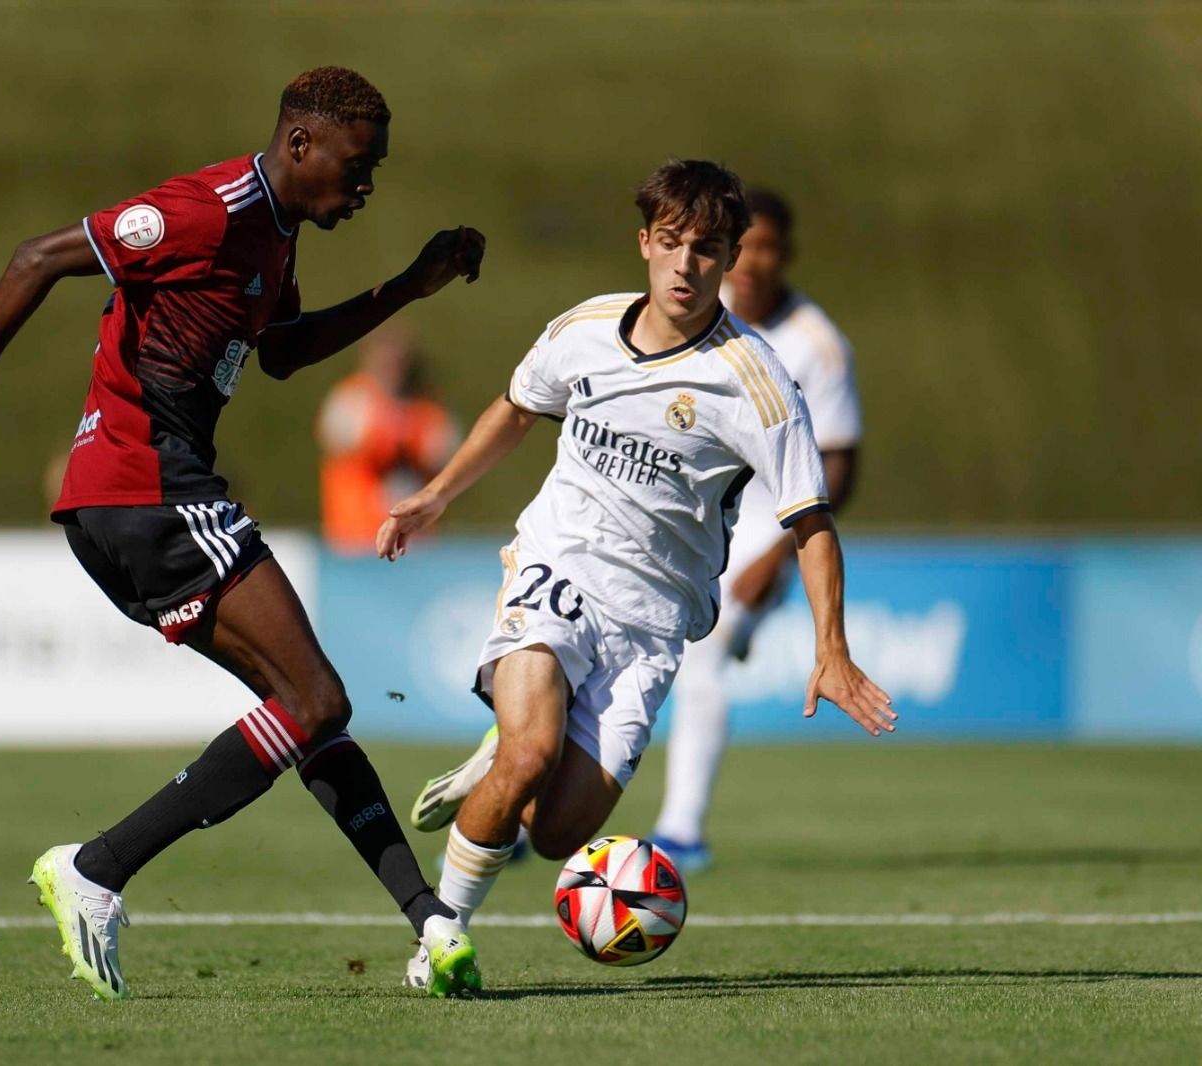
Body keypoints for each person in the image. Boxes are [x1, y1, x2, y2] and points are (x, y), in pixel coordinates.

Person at [0, 67, 488, 1000]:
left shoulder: (276, 238)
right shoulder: (207, 211)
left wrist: (408, 286)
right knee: (317, 700)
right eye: (358, 164)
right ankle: (97, 867)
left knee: (307, 712)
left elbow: (283, 352)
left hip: (131, 501)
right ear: (300, 145)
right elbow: (35, 258)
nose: (367, 184)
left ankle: (431, 924)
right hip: (147, 487)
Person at [379, 160, 894, 971]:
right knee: (531, 752)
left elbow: (812, 520)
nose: (687, 265)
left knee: (553, 834)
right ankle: (441, 937)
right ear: (645, 243)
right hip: (557, 569)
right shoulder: (583, 330)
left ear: (728, 257)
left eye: (708, 249)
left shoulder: (757, 386)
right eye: (673, 243)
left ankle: (501, 753)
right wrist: (436, 495)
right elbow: (518, 410)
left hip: (652, 624)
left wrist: (832, 649)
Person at [648, 189, 864, 873]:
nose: (755, 262)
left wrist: (775, 557)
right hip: (688, 514)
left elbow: (840, 464)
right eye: (750, 247)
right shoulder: (700, 312)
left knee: (705, 655)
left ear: (784, 255)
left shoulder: (818, 347)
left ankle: (680, 829)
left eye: (771, 247)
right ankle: (534, 800)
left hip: (763, 532)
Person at [317, 322, 459, 553]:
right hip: (354, 538)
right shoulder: (350, 399)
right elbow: (338, 440)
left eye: (400, 360)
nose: (393, 367)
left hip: (416, 543)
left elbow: (446, 456)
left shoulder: (427, 407)